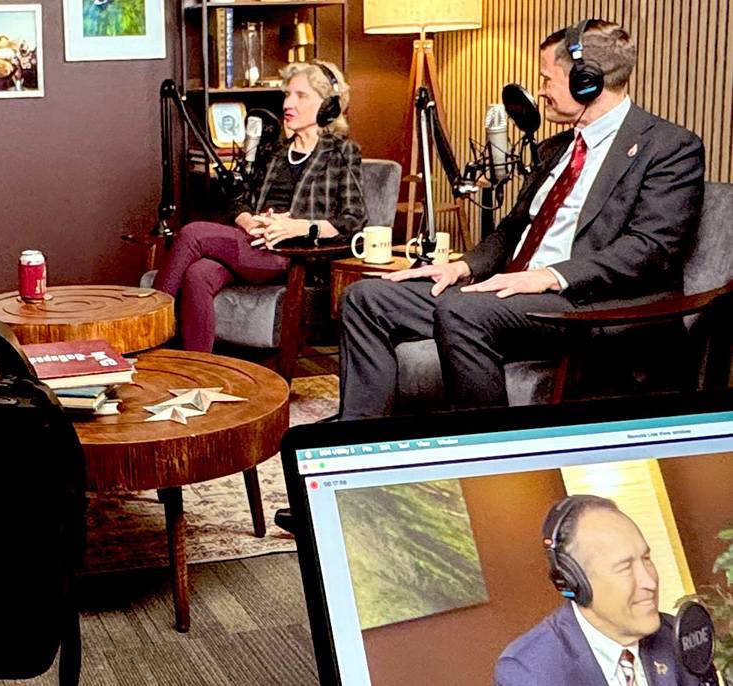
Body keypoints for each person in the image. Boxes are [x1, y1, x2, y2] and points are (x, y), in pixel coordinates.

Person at [338, 19, 705, 418]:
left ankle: (489, 457)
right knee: (366, 298)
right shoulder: (556, 148)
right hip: (512, 296)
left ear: (587, 81)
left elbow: (651, 249)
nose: (541, 91)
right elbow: (515, 227)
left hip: (585, 304)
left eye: (548, 79)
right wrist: (463, 267)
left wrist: (550, 275)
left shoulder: (669, 147)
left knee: (461, 311)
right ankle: (359, 436)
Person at [153, 61, 368, 352]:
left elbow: (354, 220)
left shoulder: (342, 152)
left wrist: (299, 226)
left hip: (291, 254)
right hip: (253, 244)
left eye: (300, 96)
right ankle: (199, 373)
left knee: (192, 233)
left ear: (329, 106)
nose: (288, 103)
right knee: (198, 274)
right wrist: (248, 220)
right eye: (287, 94)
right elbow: (238, 201)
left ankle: (148, 330)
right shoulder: (276, 150)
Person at [495, 495, 710, 685]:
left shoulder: (679, 638)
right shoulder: (530, 670)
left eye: (646, 559)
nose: (650, 582)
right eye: (625, 567)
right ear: (574, 582)